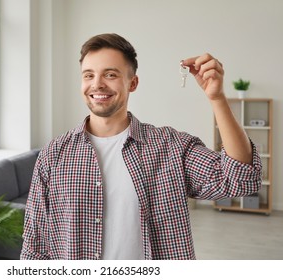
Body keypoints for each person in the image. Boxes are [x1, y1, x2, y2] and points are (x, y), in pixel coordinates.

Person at [20, 33, 262, 260]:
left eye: (110, 74)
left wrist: (217, 98)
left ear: (132, 83)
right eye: (88, 75)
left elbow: (240, 178)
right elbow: (35, 245)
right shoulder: (54, 154)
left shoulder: (171, 147)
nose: (97, 84)